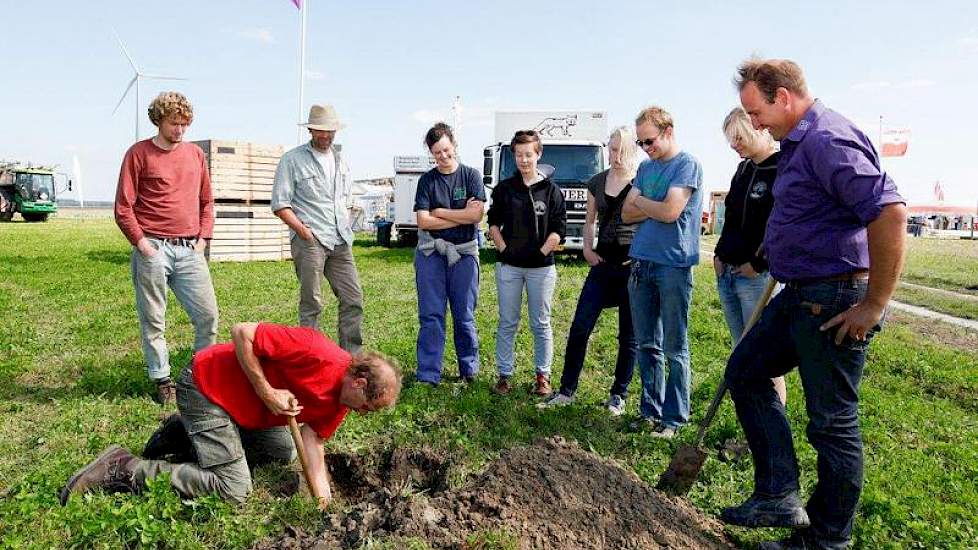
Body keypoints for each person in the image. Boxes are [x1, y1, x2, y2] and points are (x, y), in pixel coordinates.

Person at [722, 58, 906, 550]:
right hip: (798, 293)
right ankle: (780, 492)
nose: (753, 122)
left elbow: (888, 214)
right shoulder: (798, 144)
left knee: (832, 420)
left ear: (782, 97)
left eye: (755, 110)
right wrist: (776, 244)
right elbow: (812, 209)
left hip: (834, 299)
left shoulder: (828, 140)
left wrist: (875, 304)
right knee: (745, 370)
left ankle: (827, 540)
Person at [59, 322, 401, 509]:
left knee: (284, 450)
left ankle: (183, 433)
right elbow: (243, 332)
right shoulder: (317, 351)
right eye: (368, 407)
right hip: (207, 388)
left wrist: (322, 499)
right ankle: (122, 466)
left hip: (242, 412)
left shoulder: (342, 402)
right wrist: (267, 391)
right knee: (234, 490)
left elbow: (312, 441)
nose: (363, 414)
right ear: (359, 382)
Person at [114, 91, 219, 406]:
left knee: (208, 316)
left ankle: (200, 376)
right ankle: (162, 379)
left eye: (185, 125)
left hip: (190, 249)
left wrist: (202, 241)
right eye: (174, 123)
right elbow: (123, 206)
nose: (180, 130)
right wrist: (143, 245)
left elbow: (207, 201)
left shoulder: (195, 155)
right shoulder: (138, 154)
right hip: (153, 248)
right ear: (159, 120)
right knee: (154, 320)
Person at [537, 126, 641, 414]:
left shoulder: (642, 181)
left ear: (632, 150)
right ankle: (567, 390)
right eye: (611, 149)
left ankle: (618, 394)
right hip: (603, 265)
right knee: (580, 327)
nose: (614, 155)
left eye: (620, 149)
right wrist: (586, 249)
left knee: (628, 336)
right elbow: (589, 220)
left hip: (632, 268)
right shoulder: (597, 181)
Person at [621, 106, 704, 439]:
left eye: (650, 141)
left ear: (668, 131)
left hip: (673, 264)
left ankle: (674, 418)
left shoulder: (687, 165)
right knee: (646, 344)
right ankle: (649, 411)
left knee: (674, 346)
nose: (646, 148)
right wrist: (648, 205)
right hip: (642, 262)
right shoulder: (644, 167)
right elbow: (626, 213)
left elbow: (671, 212)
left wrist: (644, 203)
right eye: (641, 143)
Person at [271, 104, 363, 352]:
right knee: (312, 303)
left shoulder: (341, 160)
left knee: (353, 299)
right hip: (311, 240)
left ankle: (350, 360)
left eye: (330, 131)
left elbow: (344, 199)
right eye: (321, 131)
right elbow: (280, 204)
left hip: (340, 240)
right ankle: (309, 357)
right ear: (310, 129)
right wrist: (302, 231)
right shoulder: (292, 160)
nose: (326, 136)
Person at [714, 107, 786, 405]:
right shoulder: (743, 169)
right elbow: (730, 216)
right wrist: (719, 253)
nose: (735, 145)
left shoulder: (781, 168)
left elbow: (780, 224)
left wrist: (759, 264)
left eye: (739, 137)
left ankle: (771, 423)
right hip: (728, 272)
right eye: (731, 139)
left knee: (763, 356)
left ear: (758, 128)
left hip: (756, 278)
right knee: (741, 349)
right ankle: (752, 421)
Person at [487, 130, 566, 396]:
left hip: (541, 269)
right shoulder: (504, 189)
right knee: (508, 321)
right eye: (519, 155)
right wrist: (504, 249)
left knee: (540, 323)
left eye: (528, 154)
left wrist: (541, 253)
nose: (524, 160)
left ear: (538, 154)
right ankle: (504, 375)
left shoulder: (552, 191)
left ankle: (543, 376)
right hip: (509, 267)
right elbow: (493, 224)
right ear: (514, 157)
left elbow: (558, 230)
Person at [413, 123, 485, 385]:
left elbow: (477, 215)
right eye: (436, 153)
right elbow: (423, 221)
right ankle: (429, 374)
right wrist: (461, 217)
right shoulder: (427, 181)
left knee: (464, 314)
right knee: (431, 315)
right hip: (431, 254)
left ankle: (469, 370)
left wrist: (440, 212)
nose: (442, 156)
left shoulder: (471, 176)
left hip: (464, 255)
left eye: (445, 149)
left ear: (454, 144)